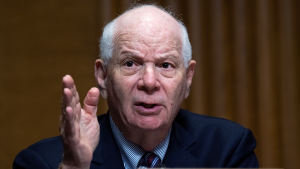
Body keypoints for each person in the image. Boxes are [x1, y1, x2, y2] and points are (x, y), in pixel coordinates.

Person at [13, 4, 259, 169]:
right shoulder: (42, 162)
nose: (149, 82)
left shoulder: (227, 150)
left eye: (165, 64)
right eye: (131, 63)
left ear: (187, 78)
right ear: (103, 75)